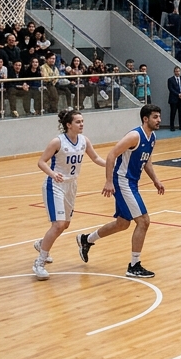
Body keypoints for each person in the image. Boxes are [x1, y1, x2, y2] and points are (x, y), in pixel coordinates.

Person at [78, 104, 164, 278]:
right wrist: (109, 181)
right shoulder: (134, 136)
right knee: (144, 221)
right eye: (155, 117)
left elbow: (146, 160)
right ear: (145, 119)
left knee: (122, 224)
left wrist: (155, 179)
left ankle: (86, 240)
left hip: (132, 182)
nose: (159, 120)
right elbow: (111, 155)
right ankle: (134, 265)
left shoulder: (152, 137)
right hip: (122, 181)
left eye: (159, 116)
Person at [32, 109, 106, 280]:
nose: (82, 124)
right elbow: (41, 162)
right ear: (68, 125)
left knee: (65, 225)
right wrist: (52, 174)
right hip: (55, 185)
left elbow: (95, 158)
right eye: (78, 122)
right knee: (58, 225)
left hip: (72, 186)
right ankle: (39, 262)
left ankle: (42, 244)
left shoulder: (84, 140)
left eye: (82, 121)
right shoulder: (57, 142)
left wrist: (111, 164)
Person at [167, 66, 181, 131]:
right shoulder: (170, 80)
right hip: (174, 99)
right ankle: (172, 126)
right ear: (174, 72)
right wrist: (178, 94)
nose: (177, 73)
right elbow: (171, 89)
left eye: (178, 71)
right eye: (176, 71)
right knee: (173, 113)